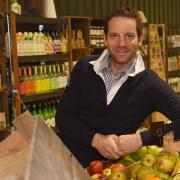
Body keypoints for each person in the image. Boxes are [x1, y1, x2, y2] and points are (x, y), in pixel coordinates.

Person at [55, 7, 180, 167]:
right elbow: (63, 116)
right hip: (61, 159)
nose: (121, 44)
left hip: (105, 171)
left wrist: (142, 138)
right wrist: (96, 139)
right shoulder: (84, 67)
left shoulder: (150, 83)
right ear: (105, 38)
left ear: (140, 39)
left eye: (129, 36)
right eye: (114, 36)